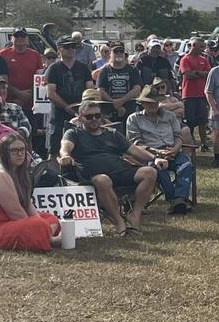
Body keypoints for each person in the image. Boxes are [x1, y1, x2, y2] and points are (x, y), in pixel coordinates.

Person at [59, 100, 161, 236]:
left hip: (120, 172)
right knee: (103, 180)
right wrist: (65, 155)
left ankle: (135, 214)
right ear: (80, 118)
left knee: (150, 172)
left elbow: (134, 150)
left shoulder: (112, 133)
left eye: (97, 115)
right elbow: (65, 147)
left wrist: (155, 158)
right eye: (89, 117)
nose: (94, 119)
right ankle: (119, 222)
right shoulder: (74, 133)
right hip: (93, 177)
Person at [0, 133, 61, 252]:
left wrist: (38, 221)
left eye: (22, 150)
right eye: (14, 150)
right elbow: (16, 213)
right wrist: (36, 225)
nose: (19, 154)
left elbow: (28, 204)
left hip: (10, 223)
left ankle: (44, 236)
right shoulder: (0, 174)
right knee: (39, 225)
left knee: (50, 218)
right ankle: (50, 239)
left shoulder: (20, 173)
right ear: (5, 153)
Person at [126, 86, 193, 214]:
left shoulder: (170, 116)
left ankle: (179, 199)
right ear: (142, 103)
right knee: (158, 169)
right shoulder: (134, 119)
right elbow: (135, 143)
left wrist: (175, 149)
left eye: (156, 102)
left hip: (172, 151)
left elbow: (178, 137)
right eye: (149, 102)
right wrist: (156, 153)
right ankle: (176, 200)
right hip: (149, 155)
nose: (153, 105)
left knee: (186, 165)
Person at [44, 35, 94, 155]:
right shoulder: (53, 69)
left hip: (81, 115)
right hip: (58, 116)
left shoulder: (83, 68)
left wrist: (83, 109)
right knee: (54, 151)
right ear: (59, 49)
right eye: (67, 47)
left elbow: (90, 90)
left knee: (81, 151)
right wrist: (67, 107)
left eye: (73, 46)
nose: (71, 49)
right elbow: (50, 93)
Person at [97, 42, 143, 124]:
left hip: (129, 109)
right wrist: (113, 102)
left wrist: (122, 100)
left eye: (121, 51)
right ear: (110, 53)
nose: (119, 53)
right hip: (109, 111)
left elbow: (137, 89)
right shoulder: (105, 70)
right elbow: (100, 89)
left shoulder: (133, 70)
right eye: (116, 51)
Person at [0, 28, 39, 115]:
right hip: (8, 102)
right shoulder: (2, 54)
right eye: (17, 36)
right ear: (11, 38)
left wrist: (28, 95)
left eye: (23, 36)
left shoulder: (35, 55)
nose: (20, 38)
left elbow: (39, 78)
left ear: (27, 38)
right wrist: (18, 93)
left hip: (30, 104)